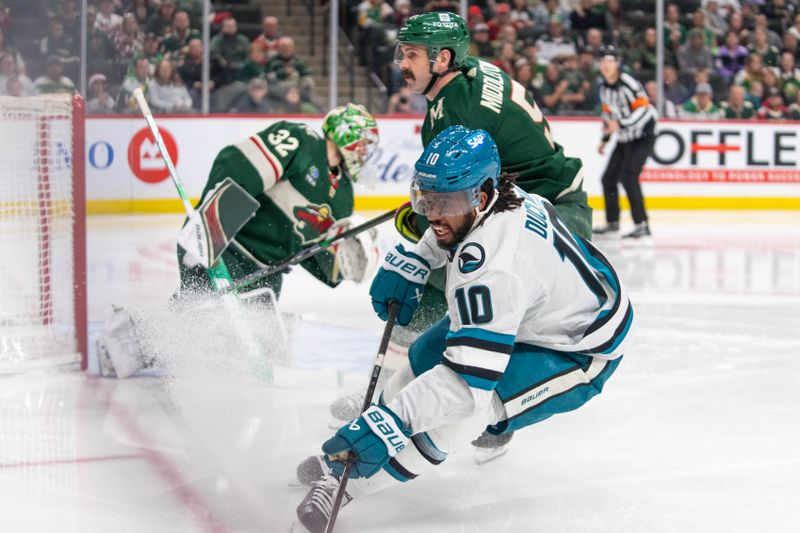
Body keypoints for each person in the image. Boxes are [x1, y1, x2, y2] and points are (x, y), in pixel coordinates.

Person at [295, 126, 632, 533]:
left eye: (446, 201)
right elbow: (451, 224)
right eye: (426, 197)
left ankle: (348, 485)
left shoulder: (494, 270)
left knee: (467, 415)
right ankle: (349, 455)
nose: (433, 213)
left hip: (577, 347)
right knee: (422, 357)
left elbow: (464, 383)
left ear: (483, 196)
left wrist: (391, 422)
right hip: (536, 306)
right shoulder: (494, 201)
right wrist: (419, 257)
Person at [328, 11, 592, 460]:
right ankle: (404, 394)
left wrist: (424, 220)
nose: (401, 63)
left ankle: (485, 416)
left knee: (465, 289)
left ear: (443, 57)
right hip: (535, 202)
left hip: (541, 214)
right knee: (461, 291)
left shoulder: (457, 111)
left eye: (411, 54)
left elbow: (465, 196)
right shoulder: (466, 78)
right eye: (402, 52)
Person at [98, 103, 382, 378]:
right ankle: (123, 342)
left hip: (267, 273)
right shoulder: (301, 141)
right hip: (226, 247)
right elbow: (237, 163)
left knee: (251, 346)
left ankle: (140, 338)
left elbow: (313, 250)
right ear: (347, 133)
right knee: (204, 324)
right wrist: (211, 228)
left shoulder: (344, 194)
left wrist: (342, 265)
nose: (366, 151)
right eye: (365, 141)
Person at [593, 46, 658, 239]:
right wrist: (605, 139)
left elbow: (644, 110)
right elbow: (608, 115)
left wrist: (619, 124)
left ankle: (642, 224)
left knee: (629, 175)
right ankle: (613, 222)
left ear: (617, 63)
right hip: (624, 138)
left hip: (643, 135)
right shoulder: (604, 88)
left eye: (610, 61)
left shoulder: (628, 83)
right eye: (603, 61)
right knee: (608, 178)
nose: (606, 65)